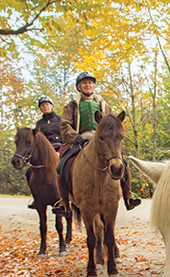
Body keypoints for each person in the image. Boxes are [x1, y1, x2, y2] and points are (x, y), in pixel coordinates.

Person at [52, 71, 141, 215]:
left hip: (102, 141)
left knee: (123, 162)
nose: (88, 85)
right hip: (79, 141)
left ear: (93, 86)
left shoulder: (103, 105)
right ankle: (63, 202)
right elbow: (64, 124)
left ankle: (128, 196)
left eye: (90, 83)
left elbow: (112, 123)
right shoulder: (72, 106)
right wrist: (74, 136)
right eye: (85, 83)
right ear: (79, 87)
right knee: (61, 166)